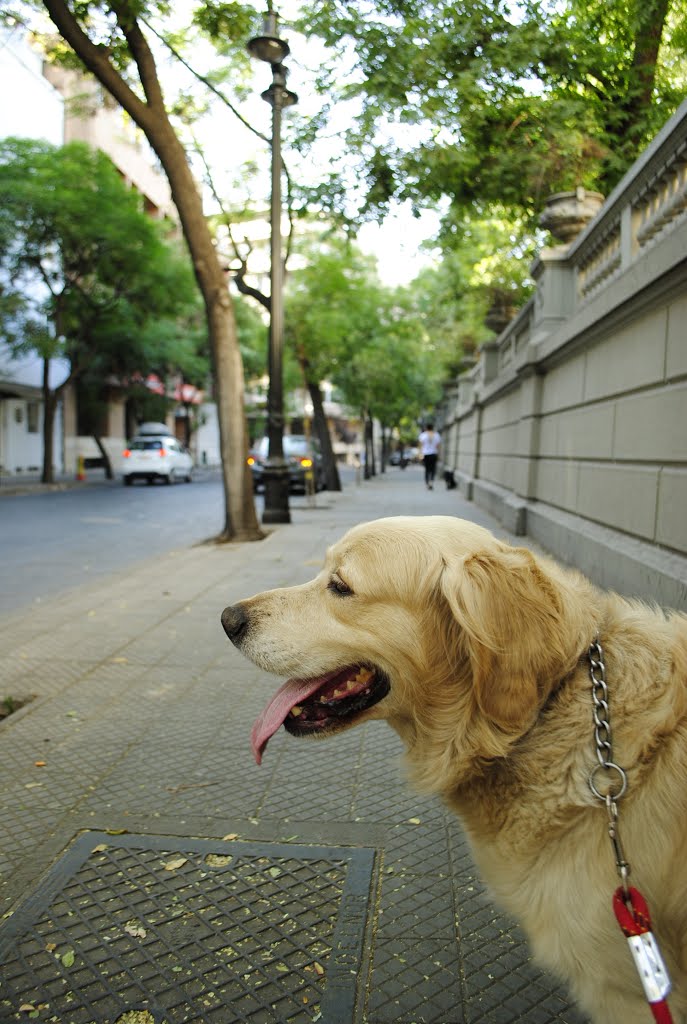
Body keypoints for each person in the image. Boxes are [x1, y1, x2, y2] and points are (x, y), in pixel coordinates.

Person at [418, 423, 441, 489]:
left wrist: (420, 455)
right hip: (434, 454)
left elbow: (420, 446)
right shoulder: (436, 435)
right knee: (433, 469)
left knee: (427, 469)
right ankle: (431, 481)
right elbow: (438, 446)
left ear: (426, 428)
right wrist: (439, 455)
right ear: (432, 428)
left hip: (426, 454)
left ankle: (427, 483)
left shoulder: (423, 435)